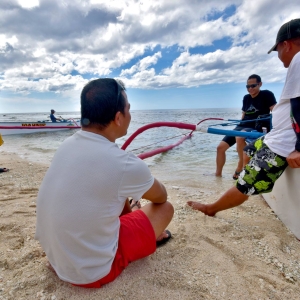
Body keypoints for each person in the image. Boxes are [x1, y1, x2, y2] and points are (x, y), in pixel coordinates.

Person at [35, 78, 174, 288]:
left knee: (112, 194)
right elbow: (161, 197)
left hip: (56, 259)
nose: (130, 114)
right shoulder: (124, 163)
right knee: (166, 209)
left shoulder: (67, 144)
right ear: (118, 117)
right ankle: (148, 238)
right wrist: (138, 178)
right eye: (129, 108)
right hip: (92, 273)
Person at [188, 18, 300, 216]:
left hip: (282, 144)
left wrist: (299, 147)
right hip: (273, 137)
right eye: (248, 86)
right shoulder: (248, 96)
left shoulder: (298, 61)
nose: (279, 55)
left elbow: (297, 105)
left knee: (244, 185)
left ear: (286, 44)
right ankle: (236, 170)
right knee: (247, 147)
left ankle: (212, 208)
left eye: (277, 50)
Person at [215, 75, 276, 179]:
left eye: (253, 86)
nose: (250, 89)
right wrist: (240, 123)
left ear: (260, 84)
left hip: (256, 126)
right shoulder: (246, 97)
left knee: (239, 136)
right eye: (248, 86)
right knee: (220, 148)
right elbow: (244, 114)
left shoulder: (267, 94)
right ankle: (217, 175)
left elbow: (276, 111)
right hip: (243, 125)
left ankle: (240, 167)